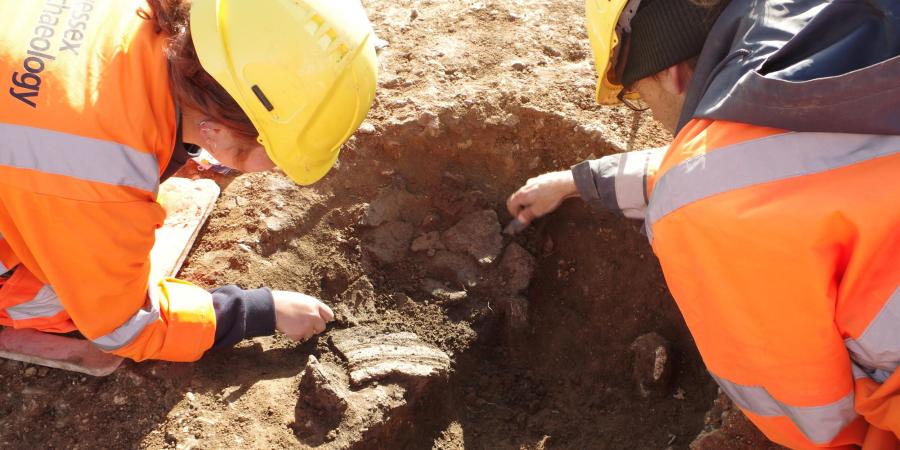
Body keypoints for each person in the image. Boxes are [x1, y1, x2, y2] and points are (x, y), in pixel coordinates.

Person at [508, 0, 900, 447]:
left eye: (639, 98)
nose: (651, 116)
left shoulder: (708, 201)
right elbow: (777, 164)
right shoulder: (841, 34)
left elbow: (819, 422)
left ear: (671, 72)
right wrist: (577, 182)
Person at [0, 0, 377, 362]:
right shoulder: (97, 174)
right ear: (215, 133)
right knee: (57, 297)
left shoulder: (145, 20)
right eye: (276, 154)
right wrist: (258, 311)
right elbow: (127, 327)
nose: (278, 167)